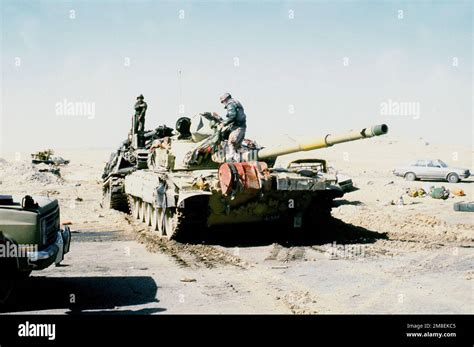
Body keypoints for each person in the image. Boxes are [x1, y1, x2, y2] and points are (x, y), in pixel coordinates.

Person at [219, 92, 246, 161]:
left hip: (237, 127)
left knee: (231, 143)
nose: (223, 103)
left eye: (222, 102)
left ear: (225, 99)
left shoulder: (230, 104)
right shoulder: (236, 102)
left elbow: (232, 116)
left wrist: (224, 123)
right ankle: (239, 160)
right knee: (236, 147)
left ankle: (233, 161)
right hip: (242, 127)